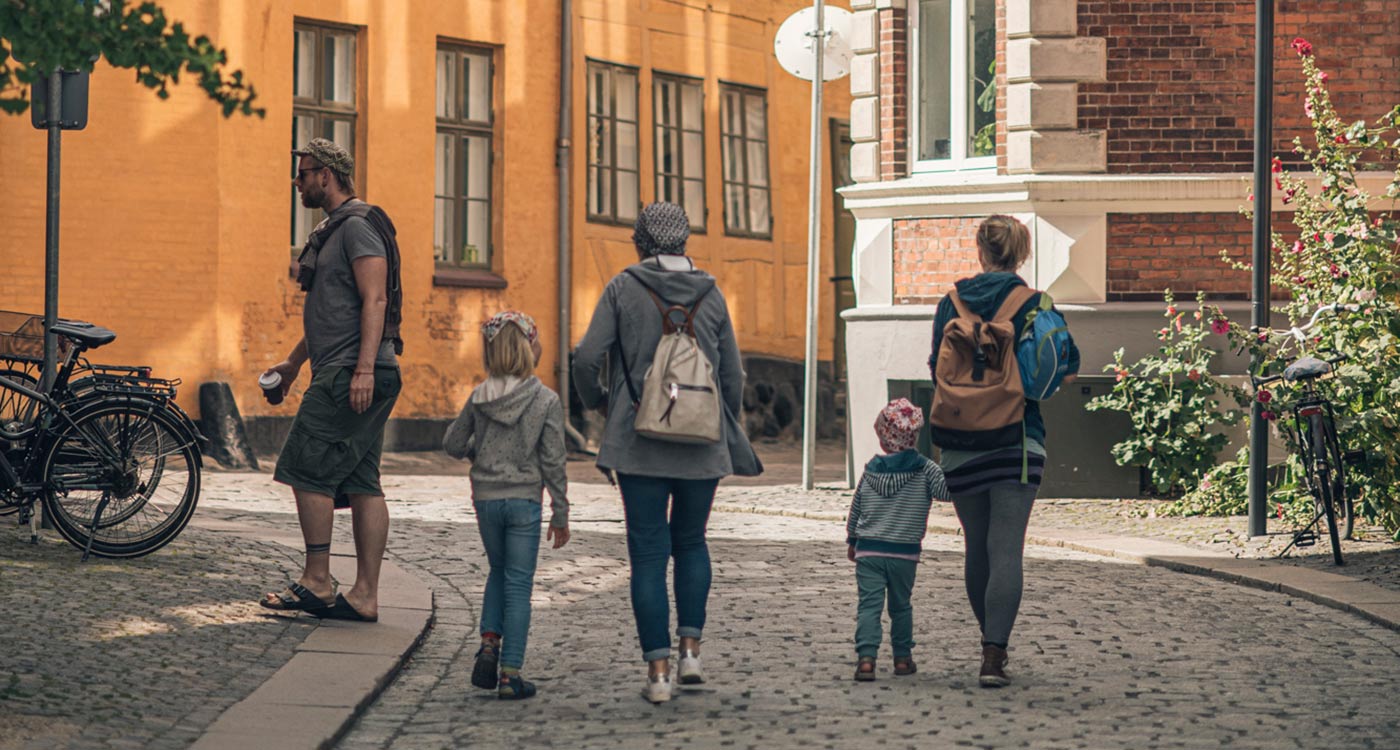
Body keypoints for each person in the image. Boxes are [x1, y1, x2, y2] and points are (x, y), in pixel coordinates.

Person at [572, 201, 760, 704]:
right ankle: (691, 651)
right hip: (702, 444)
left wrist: (601, 406)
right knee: (693, 543)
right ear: (685, 242)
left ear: (639, 242)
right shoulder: (713, 294)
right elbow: (733, 376)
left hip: (638, 443)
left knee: (649, 557)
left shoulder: (622, 288)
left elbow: (588, 357)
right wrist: (723, 421)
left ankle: (658, 674)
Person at [928, 215, 1079, 687]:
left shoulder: (948, 303)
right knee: (1007, 548)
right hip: (1017, 439)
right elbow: (1066, 369)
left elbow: (936, 366)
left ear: (980, 250)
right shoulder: (1035, 304)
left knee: (978, 547)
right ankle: (995, 653)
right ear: (1022, 253)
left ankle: (988, 639)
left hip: (959, 440)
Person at [259, 137, 405, 623]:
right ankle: (364, 595)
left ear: (326, 175)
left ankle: (318, 580)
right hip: (348, 367)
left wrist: (362, 369)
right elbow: (333, 313)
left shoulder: (358, 227)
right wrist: (295, 363)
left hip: (353, 373)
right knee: (364, 483)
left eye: (303, 175)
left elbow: (375, 300)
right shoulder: (334, 229)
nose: (297, 184)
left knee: (304, 468)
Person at [442, 311, 570, 700]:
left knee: (497, 571)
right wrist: (560, 512)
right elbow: (553, 461)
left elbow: (451, 443)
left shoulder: (480, 397)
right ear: (530, 349)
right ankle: (510, 673)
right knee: (519, 584)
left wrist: (476, 452)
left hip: (486, 501)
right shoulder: (545, 399)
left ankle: (488, 643)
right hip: (524, 502)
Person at [846, 398, 949, 682]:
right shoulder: (926, 469)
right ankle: (902, 659)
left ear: (882, 436)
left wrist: (852, 539)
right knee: (901, 606)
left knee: (869, 605)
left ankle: (866, 660)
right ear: (914, 435)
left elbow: (857, 507)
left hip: (869, 551)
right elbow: (946, 492)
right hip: (905, 553)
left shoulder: (870, 470)